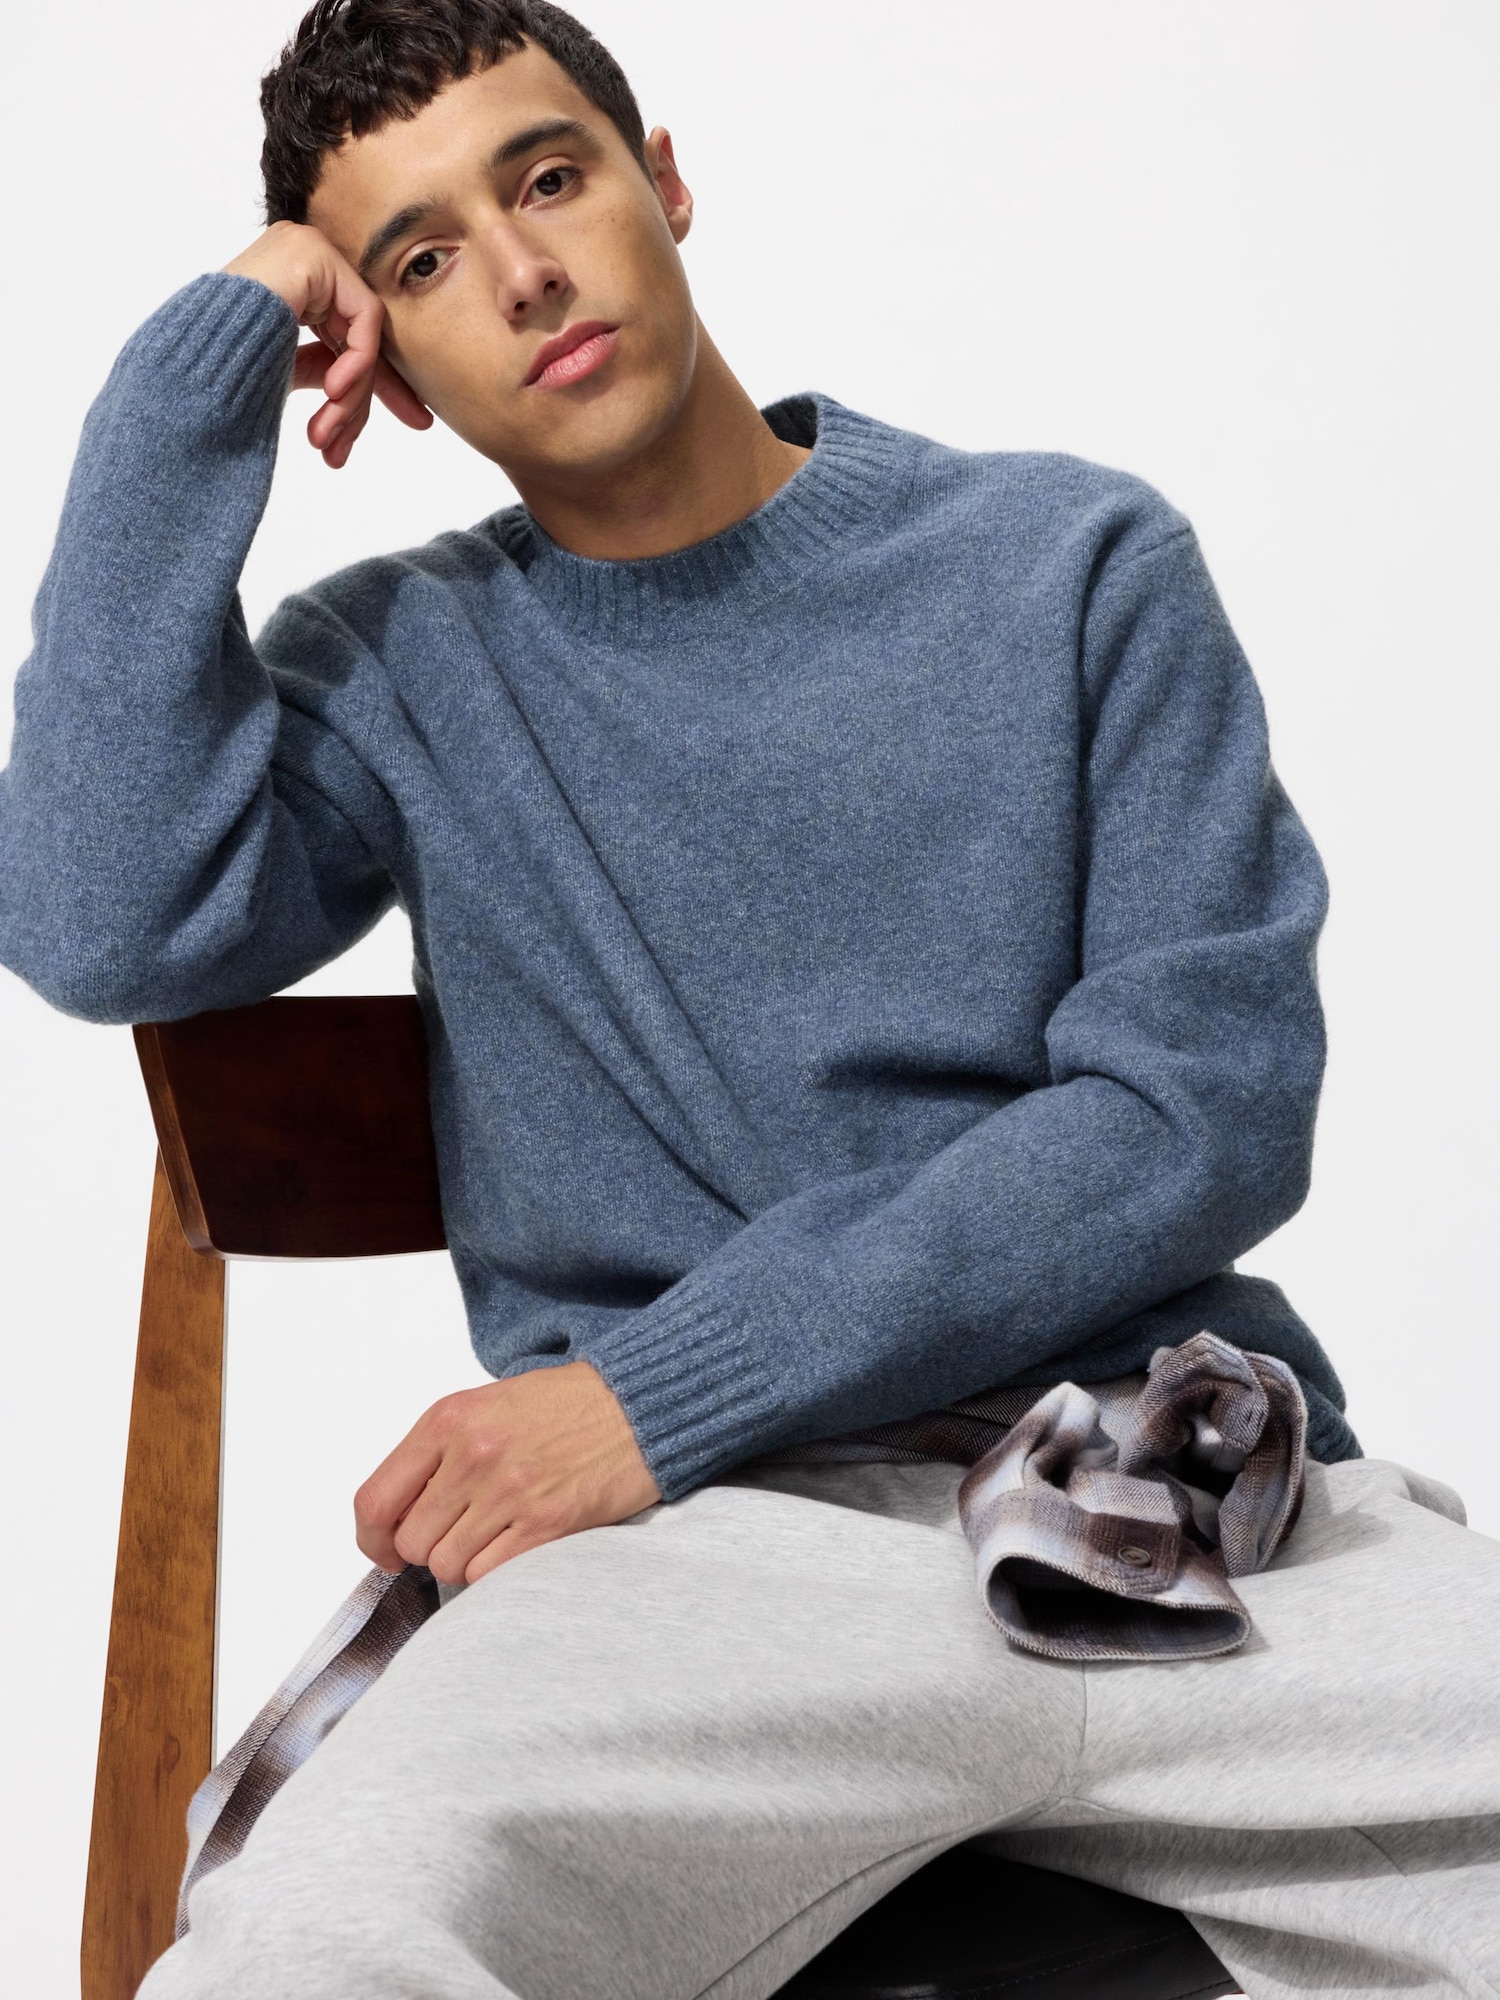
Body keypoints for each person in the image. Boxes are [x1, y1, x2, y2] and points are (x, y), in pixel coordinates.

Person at [2, 2, 1496, 1994]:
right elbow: (99, 919)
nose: (522, 273)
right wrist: (200, 365)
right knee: (312, 1948)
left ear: (664, 181)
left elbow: (1194, 1109)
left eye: (550, 179)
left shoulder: (1072, 559)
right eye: (421, 261)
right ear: (392, 367)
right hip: (689, 1561)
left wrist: (656, 1387)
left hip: (1166, 1486)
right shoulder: (400, 666)